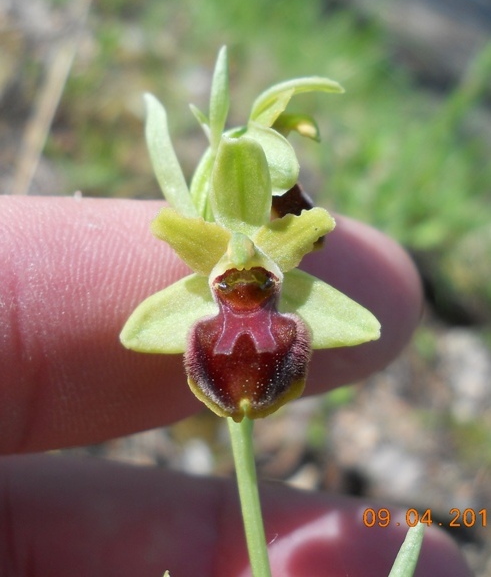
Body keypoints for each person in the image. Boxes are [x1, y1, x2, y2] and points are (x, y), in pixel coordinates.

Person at [0, 196, 471, 576]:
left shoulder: (289, 289)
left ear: (275, 275)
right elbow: (140, 331)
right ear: (214, 277)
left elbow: (358, 323)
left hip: (262, 322)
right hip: (226, 329)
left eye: (258, 281)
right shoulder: (200, 293)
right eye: (231, 282)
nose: (244, 284)